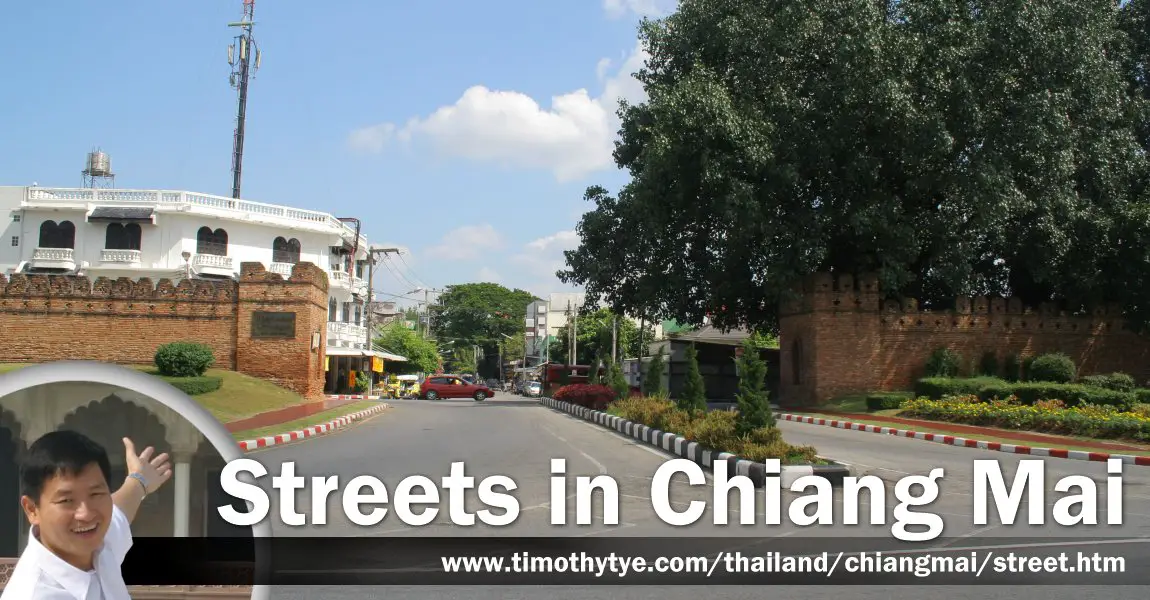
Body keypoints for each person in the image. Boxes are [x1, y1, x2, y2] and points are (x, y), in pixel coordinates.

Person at [2, 430, 173, 600]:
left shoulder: (100, 544)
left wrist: (139, 480)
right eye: (67, 500)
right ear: (32, 509)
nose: (86, 514)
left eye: (95, 494)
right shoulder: (33, 594)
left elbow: (121, 509)